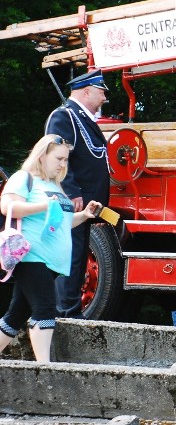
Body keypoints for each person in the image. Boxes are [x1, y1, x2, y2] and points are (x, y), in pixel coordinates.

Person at [0, 135, 102, 361]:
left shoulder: (54, 185)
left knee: (16, 315)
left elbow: (61, 221)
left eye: (66, 160)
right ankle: (45, 369)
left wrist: (83, 216)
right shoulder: (23, 178)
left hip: (52, 262)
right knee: (45, 309)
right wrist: (44, 205)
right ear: (42, 155)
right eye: (59, 158)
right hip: (31, 256)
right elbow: (8, 207)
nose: (63, 164)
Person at [45, 69, 111, 318]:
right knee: (70, 257)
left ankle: (70, 311)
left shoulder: (82, 117)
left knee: (78, 255)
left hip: (86, 200)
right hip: (74, 199)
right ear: (87, 91)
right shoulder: (64, 116)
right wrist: (71, 191)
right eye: (101, 92)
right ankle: (66, 312)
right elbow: (58, 158)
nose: (104, 97)